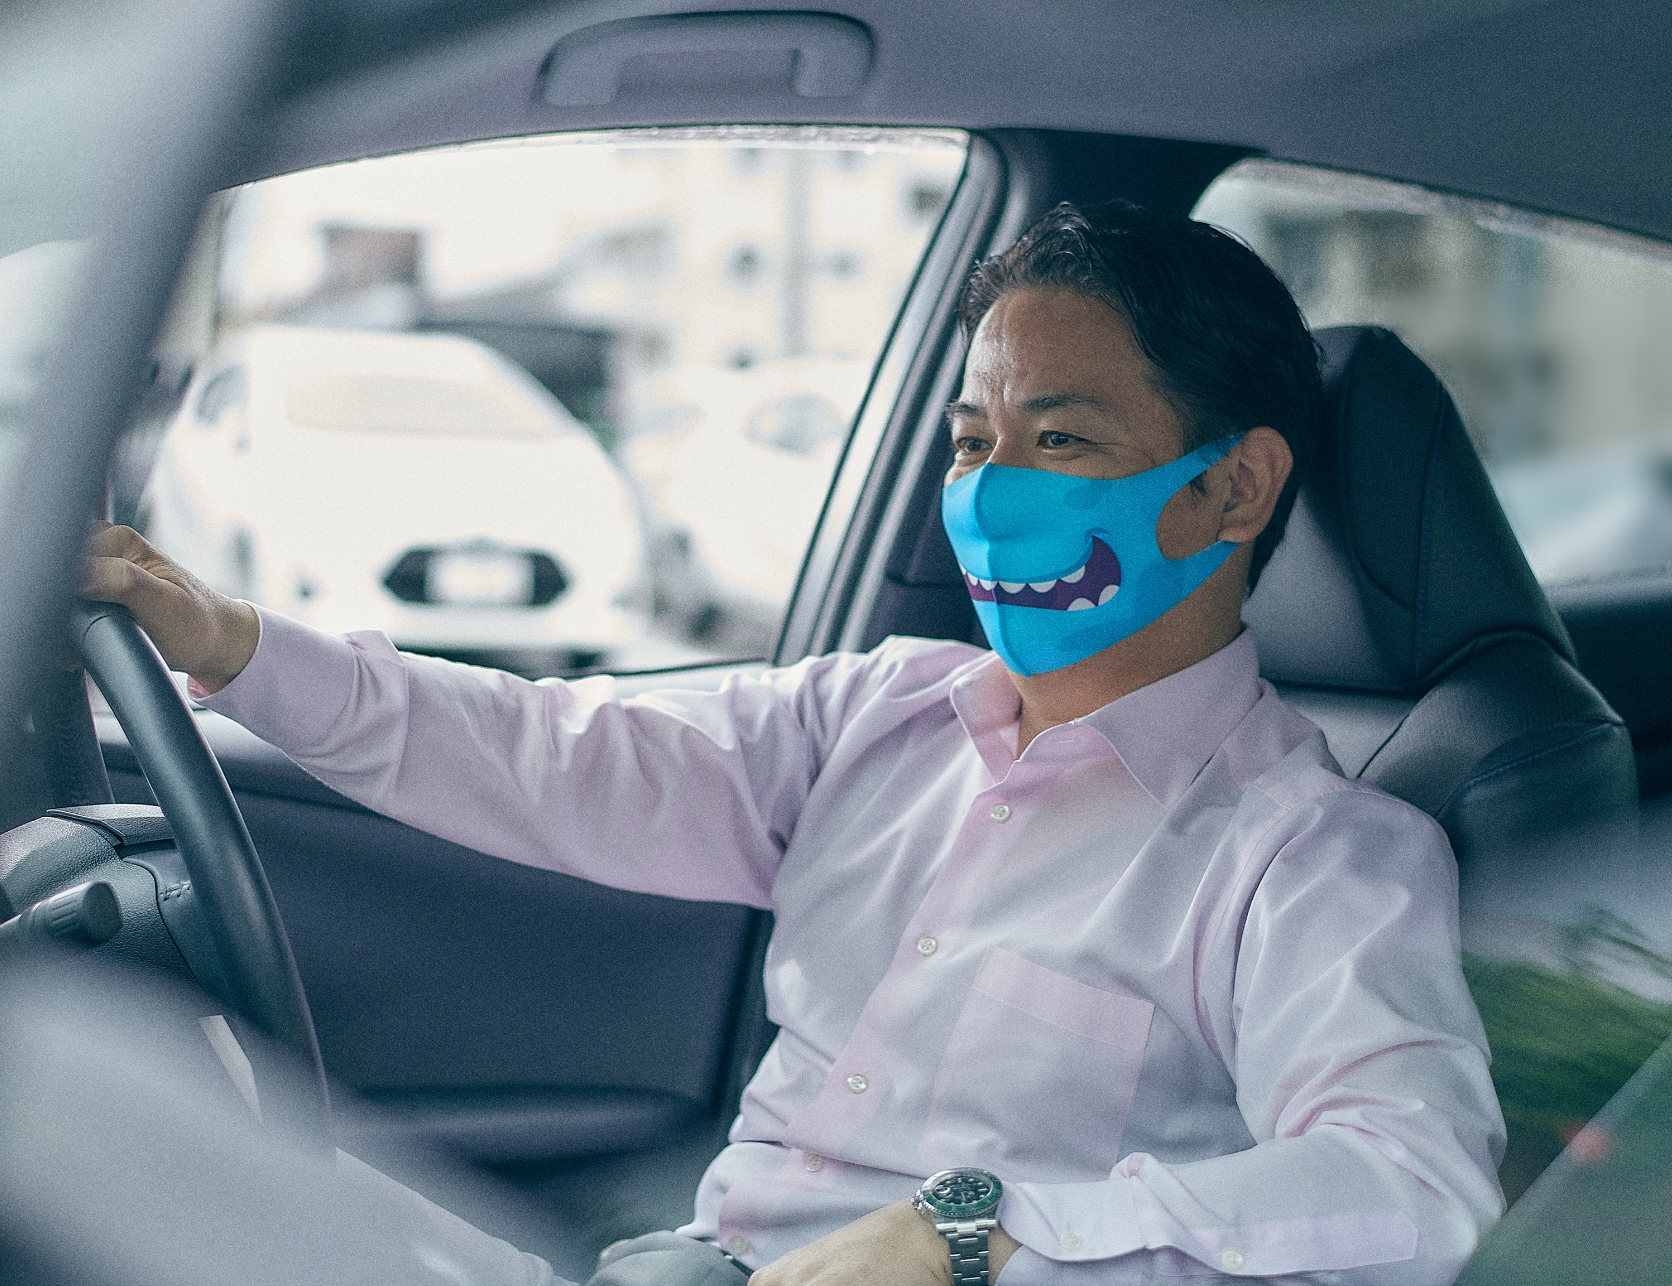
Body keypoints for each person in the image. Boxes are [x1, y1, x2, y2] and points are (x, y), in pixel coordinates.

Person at [79, 201, 1505, 1285]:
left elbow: (1414, 1187)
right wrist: (232, 641)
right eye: (971, 440)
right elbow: (551, 746)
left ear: (1235, 489)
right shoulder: (877, 713)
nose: (988, 491)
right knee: (147, 1143)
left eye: (1059, 442)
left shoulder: (1311, 854)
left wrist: (976, 1235)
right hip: (689, 1263)